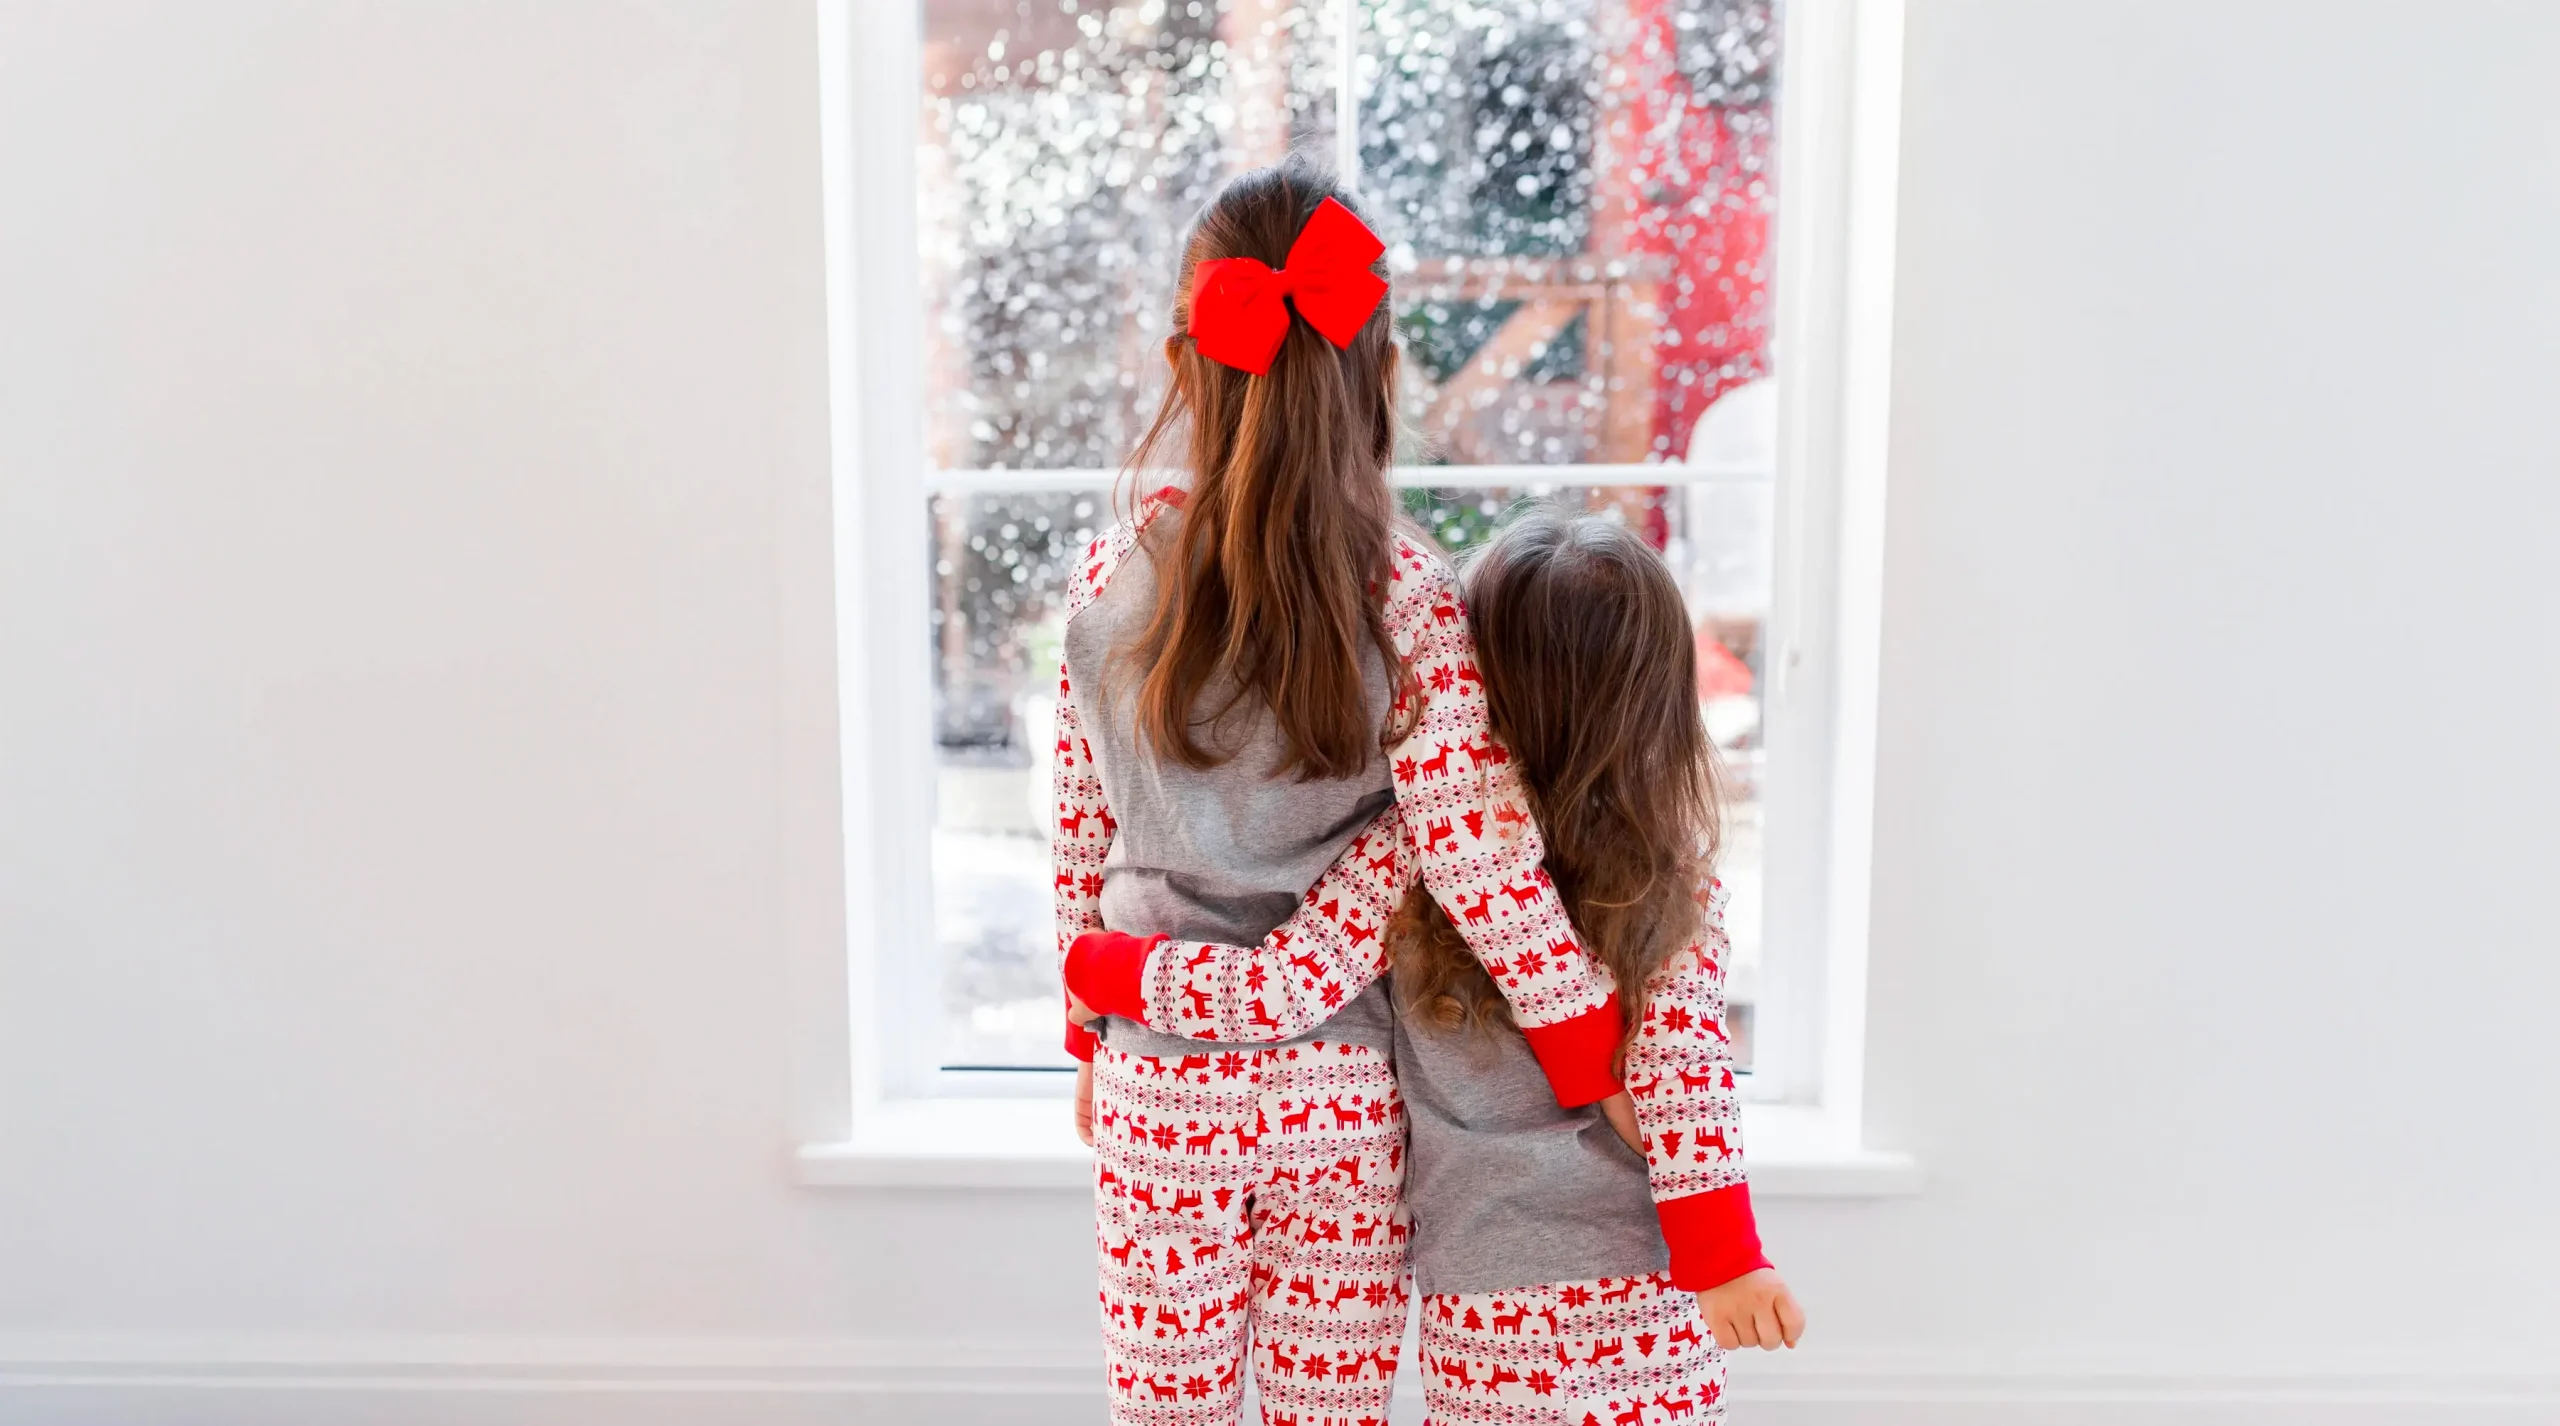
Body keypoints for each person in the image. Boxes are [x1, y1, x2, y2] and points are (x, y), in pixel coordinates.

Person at [1052, 158, 1631, 1426]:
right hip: (1339, 1093)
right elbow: (1480, 861)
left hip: (1161, 1088)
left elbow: (1081, 840)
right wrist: (1597, 1059)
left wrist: (1088, 1031)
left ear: (1183, 364)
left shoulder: (1104, 579)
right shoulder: (1411, 595)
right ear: (1382, 370)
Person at [1071, 511, 1806, 1424]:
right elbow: (1683, 1070)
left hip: (1489, 1299)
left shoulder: (1417, 852)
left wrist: (1099, 969)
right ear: (1658, 696)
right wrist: (1724, 1258)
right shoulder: (1674, 876)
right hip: (1650, 1292)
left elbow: (1277, 989)